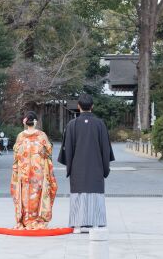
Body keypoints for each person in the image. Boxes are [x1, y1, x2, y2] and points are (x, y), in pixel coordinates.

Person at [57, 93, 115, 233]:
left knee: (78, 195)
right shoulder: (100, 124)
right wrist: (104, 167)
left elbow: (68, 148)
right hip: (96, 167)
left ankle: (77, 225)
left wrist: (69, 166)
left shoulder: (72, 125)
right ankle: (95, 223)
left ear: (78, 107)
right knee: (95, 194)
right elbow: (105, 147)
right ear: (92, 106)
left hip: (77, 167)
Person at [10, 111, 58, 230]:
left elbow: (16, 155)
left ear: (25, 122)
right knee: (37, 194)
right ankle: (37, 219)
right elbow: (48, 151)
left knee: (25, 196)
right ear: (35, 122)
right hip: (38, 172)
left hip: (24, 172)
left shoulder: (21, 136)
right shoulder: (42, 135)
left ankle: (25, 220)